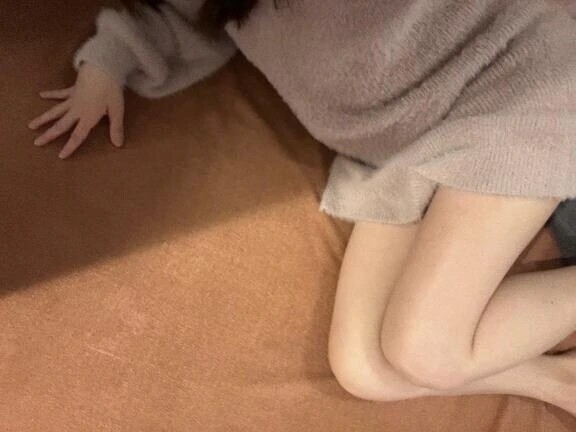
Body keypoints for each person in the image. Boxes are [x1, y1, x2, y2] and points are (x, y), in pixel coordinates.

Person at [28, 0, 576, 415]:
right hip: (405, 150)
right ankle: (551, 379)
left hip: (514, 87)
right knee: (362, 369)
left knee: (427, 352)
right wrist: (106, 65)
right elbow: (166, 19)